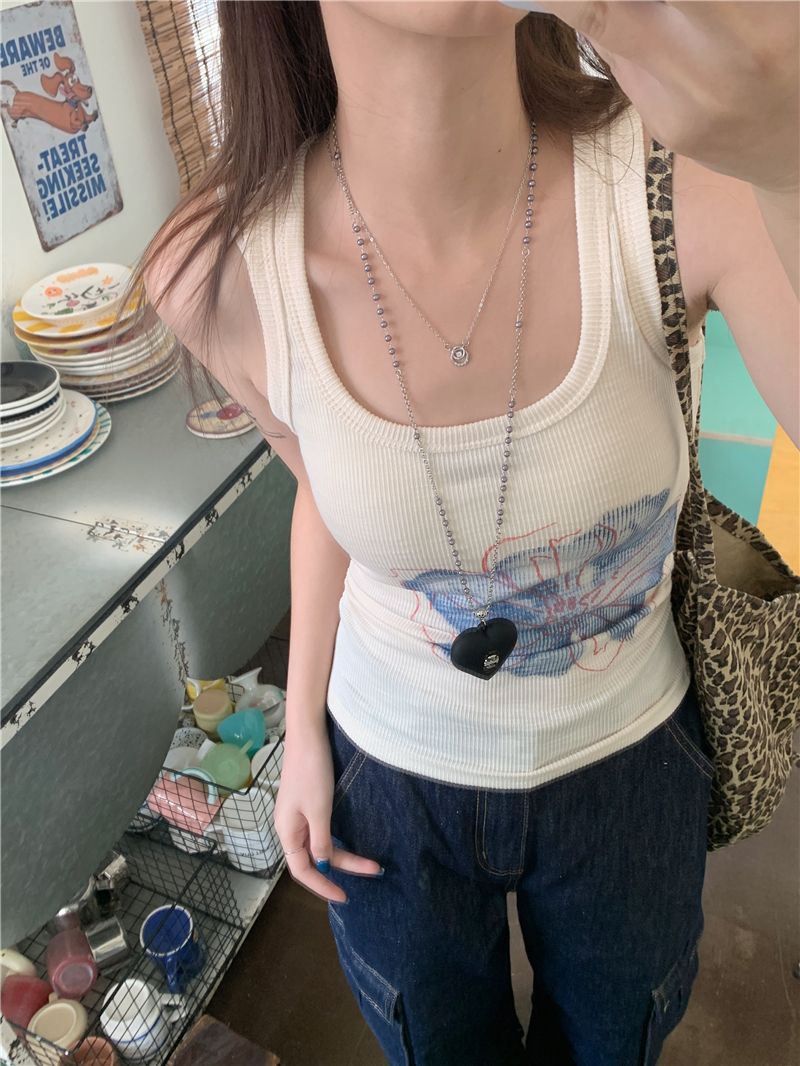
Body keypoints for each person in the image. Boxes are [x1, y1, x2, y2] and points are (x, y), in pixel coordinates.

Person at [135, 3, 798, 1063]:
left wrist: (785, 153)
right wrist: (300, 731)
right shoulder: (217, 272)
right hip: (388, 779)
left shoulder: (683, 175)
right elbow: (331, 497)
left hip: (628, 759)